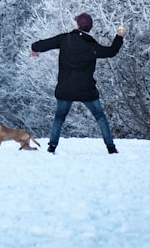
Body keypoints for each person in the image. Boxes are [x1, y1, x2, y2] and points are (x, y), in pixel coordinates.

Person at [29, 13, 125, 154]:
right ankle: (111, 148)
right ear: (89, 27)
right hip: (86, 90)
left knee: (59, 118)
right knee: (100, 117)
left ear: (78, 25)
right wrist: (119, 36)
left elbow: (43, 44)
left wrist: (34, 48)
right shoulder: (92, 46)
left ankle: (52, 147)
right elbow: (111, 51)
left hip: (65, 89)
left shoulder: (65, 39)